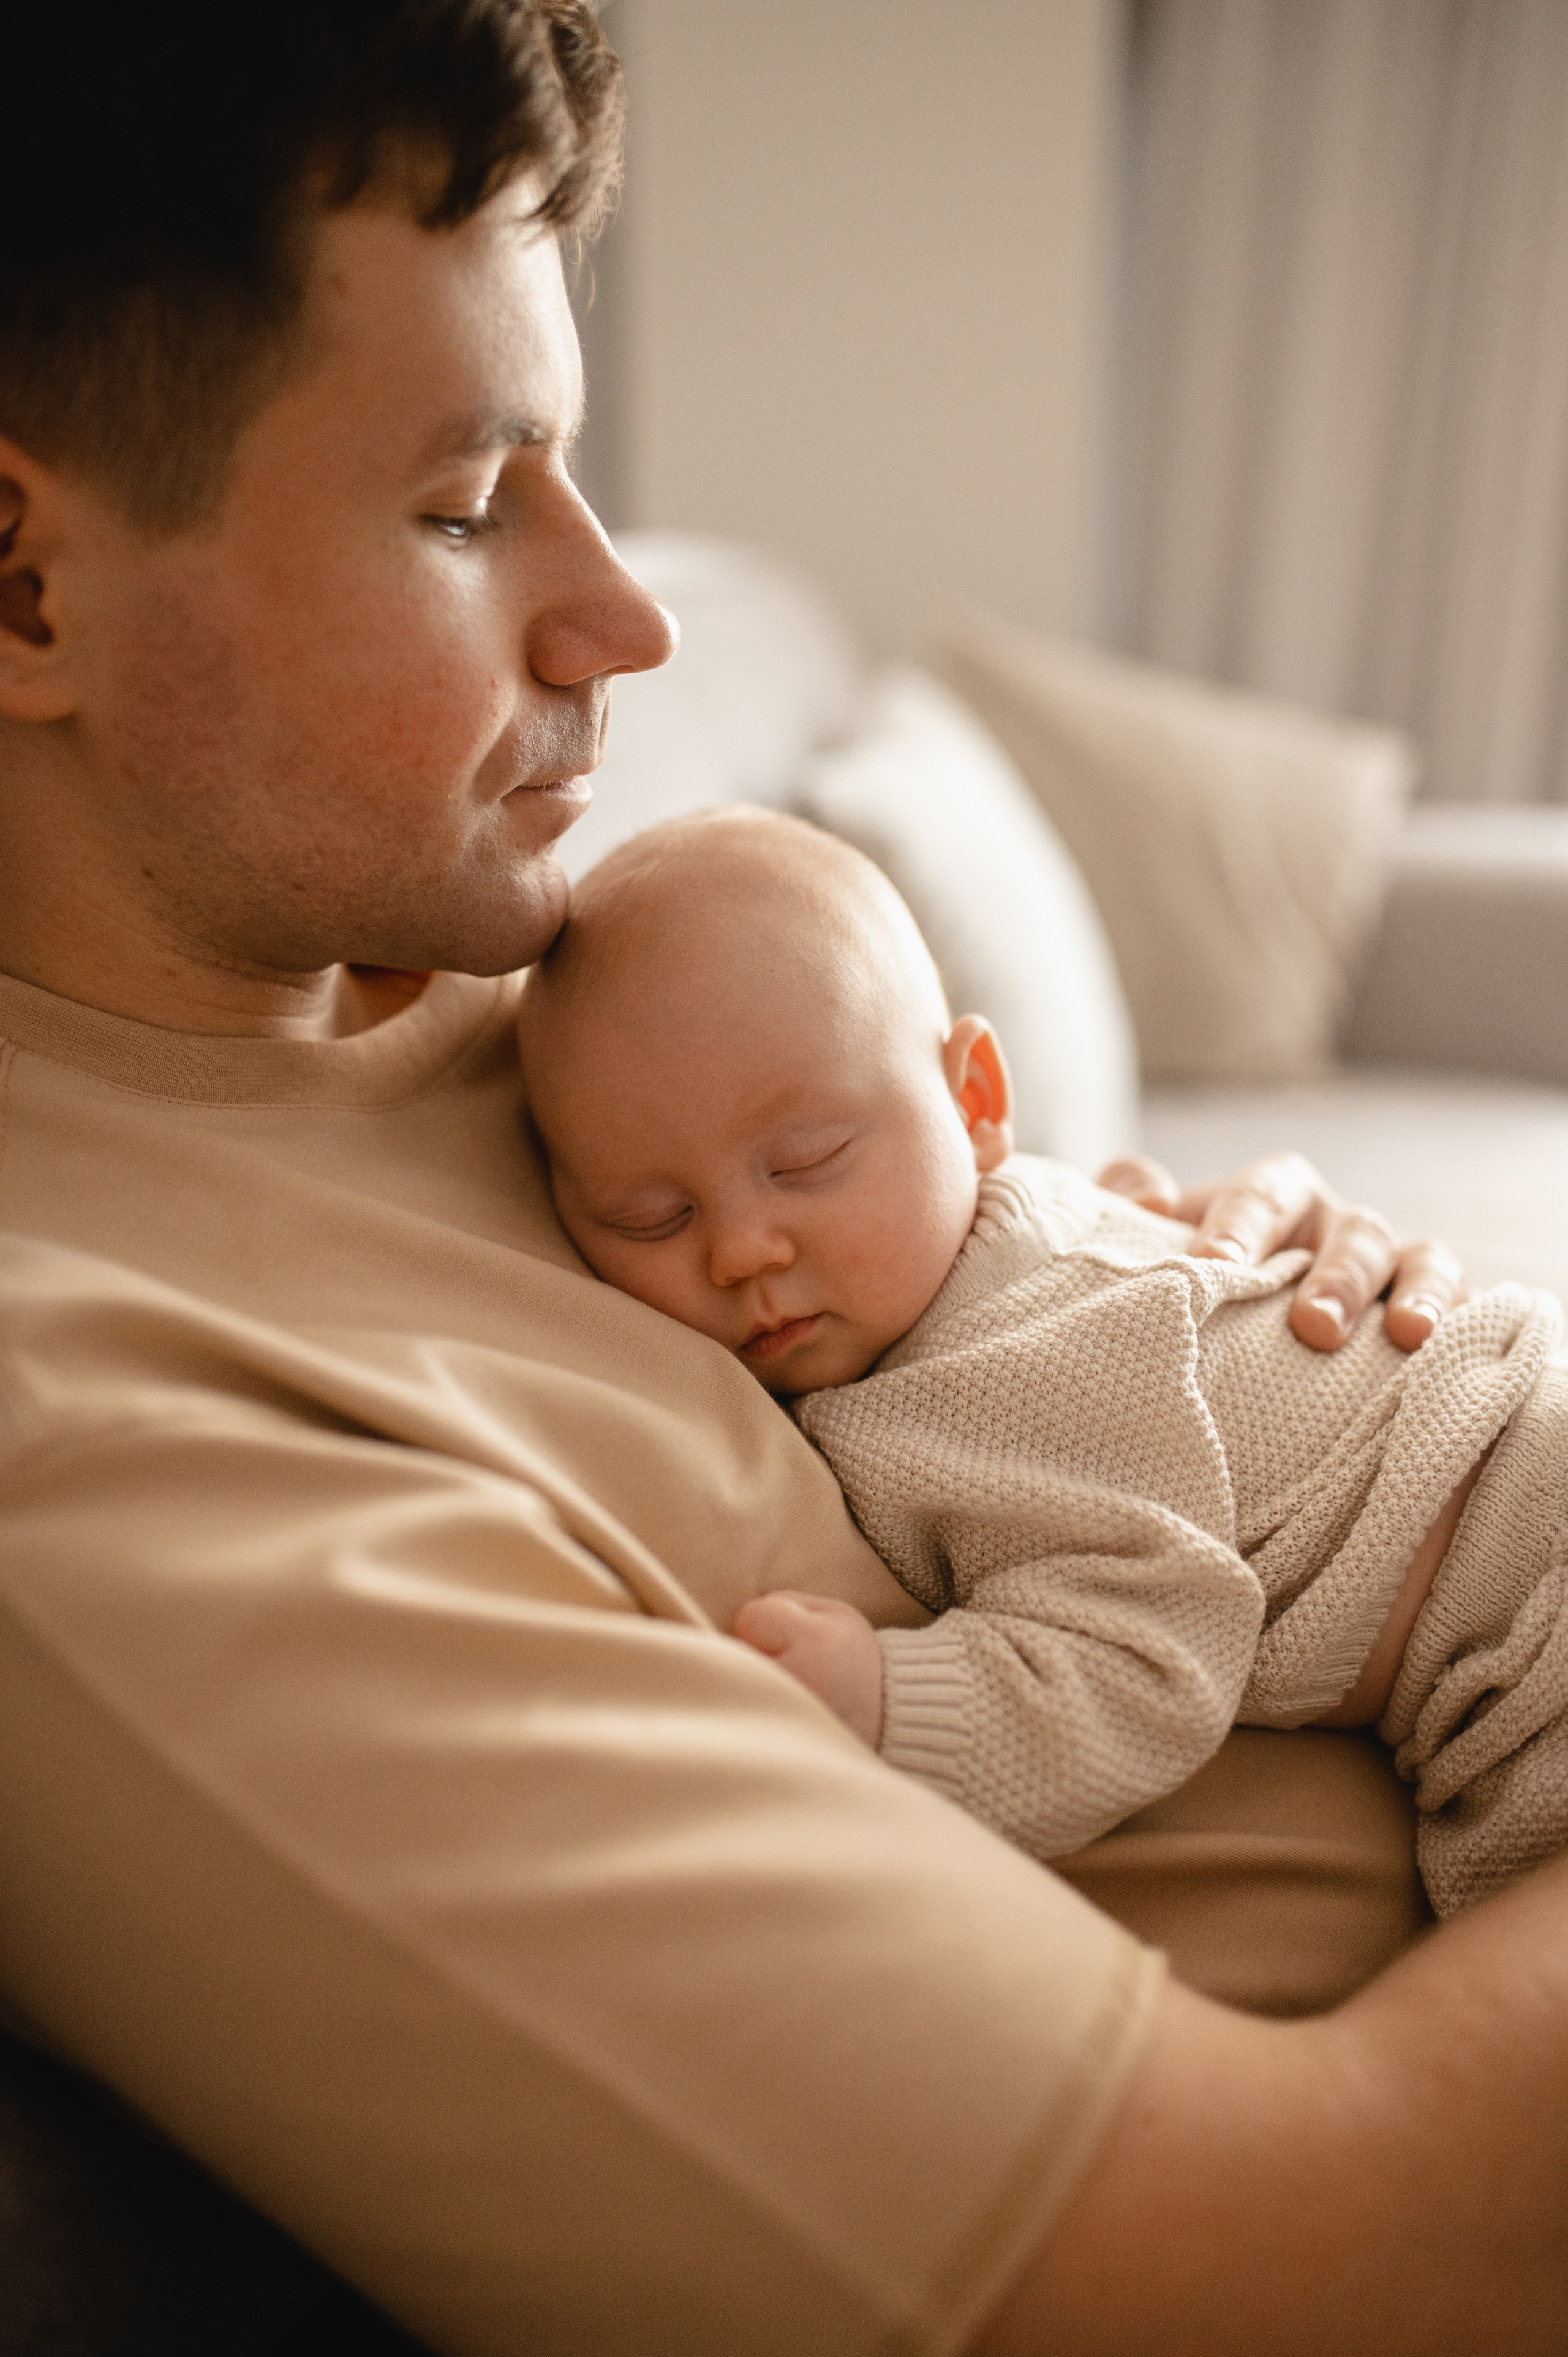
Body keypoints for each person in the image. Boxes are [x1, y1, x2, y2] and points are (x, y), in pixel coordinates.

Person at [1, 5, 1563, 2353]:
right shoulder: (101, 1431)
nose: (627, 620)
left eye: (571, 466)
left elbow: (1004, 1281)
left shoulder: (504, 995)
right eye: (458, 501)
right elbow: (1324, 2268)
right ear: (25, 586)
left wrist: (1227, 1287)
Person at [519, 807, 1568, 1920]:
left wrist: (889, 1703)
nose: (739, 1250)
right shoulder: (1022, 1225)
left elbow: (1154, 1655)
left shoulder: (995, 1369)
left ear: (974, 1104)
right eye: (650, 1217)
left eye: (807, 1162)